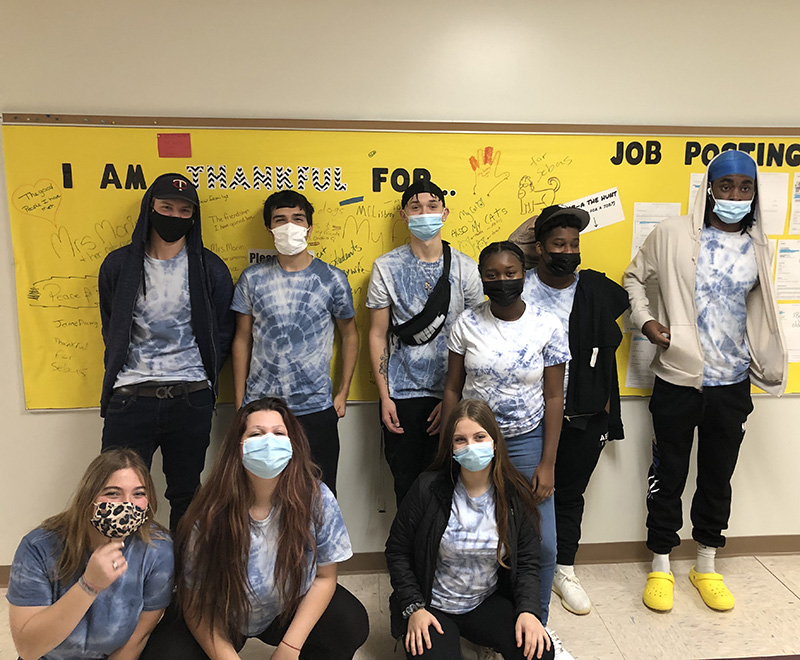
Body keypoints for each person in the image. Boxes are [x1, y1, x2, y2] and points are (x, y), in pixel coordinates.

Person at [624, 149, 787, 613]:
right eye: (726, 186)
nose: (735, 195)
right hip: (678, 378)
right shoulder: (673, 233)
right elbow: (635, 277)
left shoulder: (759, 245)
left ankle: (706, 564)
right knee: (668, 474)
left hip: (732, 383)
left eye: (745, 187)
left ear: (754, 194)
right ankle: (660, 565)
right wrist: (648, 322)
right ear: (708, 189)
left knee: (718, 476)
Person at [143, 397, 369, 659]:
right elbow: (195, 601)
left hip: (284, 610)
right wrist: (225, 656)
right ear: (238, 447)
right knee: (165, 654)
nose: (269, 442)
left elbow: (325, 577)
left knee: (349, 623)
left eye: (278, 433)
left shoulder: (317, 499)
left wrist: (290, 647)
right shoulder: (209, 511)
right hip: (222, 612)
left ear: (292, 444)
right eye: (256, 434)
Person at [441, 241, 571, 634]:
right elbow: (451, 388)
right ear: (481, 277)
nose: (502, 281)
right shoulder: (466, 323)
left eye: (511, 273)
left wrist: (547, 463)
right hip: (474, 443)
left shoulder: (547, 324)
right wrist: (449, 445)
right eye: (492, 274)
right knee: (479, 537)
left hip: (527, 441)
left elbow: (553, 396)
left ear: (523, 274)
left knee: (543, 543)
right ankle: (486, 621)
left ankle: (537, 624)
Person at [99, 172, 235, 531]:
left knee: (187, 494)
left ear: (194, 216)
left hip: (190, 397)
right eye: (166, 207)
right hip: (129, 397)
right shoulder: (118, 265)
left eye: (184, 209)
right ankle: (121, 579)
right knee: (117, 495)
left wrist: (203, 380)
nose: (174, 216)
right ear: (150, 208)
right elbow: (111, 325)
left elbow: (222, 332)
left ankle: (182, 581)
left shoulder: (211, 268)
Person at [513, 205, 629, 616]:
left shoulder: (595, 290)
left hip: (580, 414)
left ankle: (563, 568)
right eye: (558, 243)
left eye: (574, 244)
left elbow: (620, 318)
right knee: (523, 495)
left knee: (569, 494)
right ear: (539, 247)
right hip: (528, 415)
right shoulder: (518, 286)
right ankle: (520, 570)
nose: (567, 251)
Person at [385, 399, 554, 660]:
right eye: (460, 440)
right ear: (451, 447)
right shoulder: (427, 488)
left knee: (540, 652)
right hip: (434, 605)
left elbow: (530, 561)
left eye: (479, 437)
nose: (471, 447)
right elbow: (397, 551)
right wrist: (413, 607)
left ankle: (481, 641)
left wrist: (529, 612)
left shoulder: (515, 494)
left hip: (484, 602)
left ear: (495, 442)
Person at [232, 190, 358, 495]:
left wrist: (342, 392)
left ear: (309, 228)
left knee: (320, 496)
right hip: (262, 410)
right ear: (269, 229)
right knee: (260, 495)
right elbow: (241, 339)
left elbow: (350, 333)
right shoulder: (252, 278)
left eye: (297, 219)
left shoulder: (332, 278)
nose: (290, 226)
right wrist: (240, 403)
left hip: (316, 407)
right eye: (280, 220)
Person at [367, 180, 483, 507]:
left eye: (432, 206)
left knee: (448, 480)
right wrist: (384, 396)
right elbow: (377, 334)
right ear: (404, 215)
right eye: (416, 207)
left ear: (445, 213)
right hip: (400, 397)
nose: (424, 213)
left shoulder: (466, 267)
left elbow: (476, 334)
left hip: (452, 392)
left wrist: (455, 395)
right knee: (405, 483)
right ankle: (406, 557)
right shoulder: (386, 267)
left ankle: (437, 556)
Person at [7, 449, 174, 660]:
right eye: (113, 493)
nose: (127, 504)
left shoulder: (158, 549)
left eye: (138, 494)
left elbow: (139, 637)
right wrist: (89, 586)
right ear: (89, 497)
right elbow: (29, 649)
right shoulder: (39, 547)